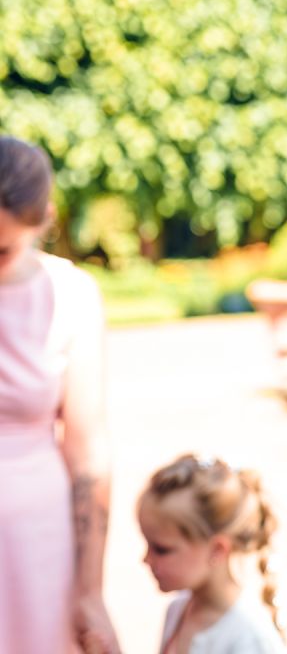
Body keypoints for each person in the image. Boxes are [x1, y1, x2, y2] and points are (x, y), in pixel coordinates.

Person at [0, 136, 121, 654]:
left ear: (44, 221)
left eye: (1, 251)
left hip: (36, 542)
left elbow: (88, 450)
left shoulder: (73, 294)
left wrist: (90, 591)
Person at [138, 453, 287, 653]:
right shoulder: (177, 611)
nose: (146, 559)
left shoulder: (250, 640)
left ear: (217, 550)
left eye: (161, 550)